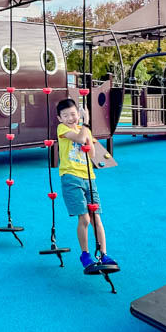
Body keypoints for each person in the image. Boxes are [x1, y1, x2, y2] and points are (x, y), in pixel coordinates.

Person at [56, 98, 118, 273]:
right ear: (60, 118)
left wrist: (87, 134)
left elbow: (91, 153)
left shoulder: (85, 130)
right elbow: (80, 137)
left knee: (96, 217)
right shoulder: (63, 129)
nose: (70, 118)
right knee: (84, 218)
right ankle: (85, 254)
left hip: (89, 177)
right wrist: (86, 122)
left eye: (74, 114)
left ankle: (103, 254)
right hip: (71, 177)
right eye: (66, 115)